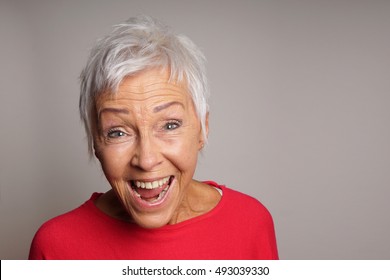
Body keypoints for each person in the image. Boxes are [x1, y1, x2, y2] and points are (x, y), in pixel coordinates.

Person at [29, 15, 278, 260]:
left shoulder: (251, 223)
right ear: (95, 141)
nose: (146, 160)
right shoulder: (55, 247)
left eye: (169, 125)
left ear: (202, 129)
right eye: (118, 132)